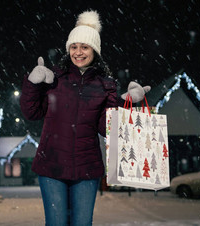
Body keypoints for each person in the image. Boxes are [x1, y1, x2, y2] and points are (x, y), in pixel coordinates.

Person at [20, 10, 150, 226]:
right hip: (51, 166)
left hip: (86, 169)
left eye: (84, 47)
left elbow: (106, 127)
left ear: (95, 51)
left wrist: (126, 101)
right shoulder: (53, 78)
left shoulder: (105, 85)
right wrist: (33, 84)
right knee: (56, 223)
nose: (78, 52)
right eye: (74, 46)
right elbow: (31, 112)